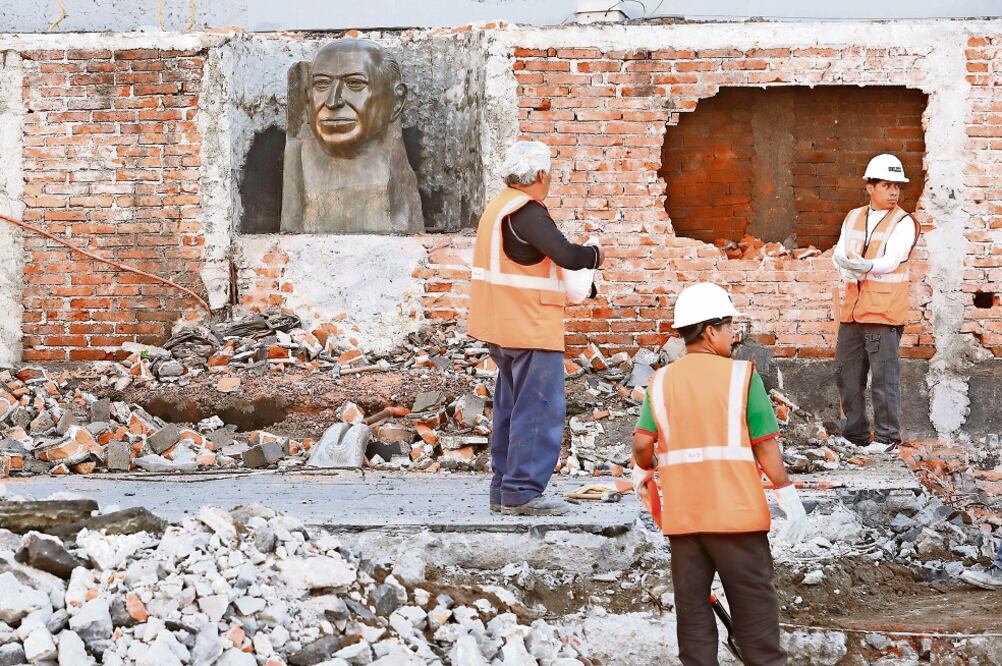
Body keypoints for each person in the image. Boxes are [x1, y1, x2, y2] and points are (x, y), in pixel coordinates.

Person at [631, 283, 807, 666]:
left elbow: (643, 443)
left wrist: (644, 470)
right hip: (736, 522)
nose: (733, 335)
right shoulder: (743, 377)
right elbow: (765, 447)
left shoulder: (660, 383)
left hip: (685, 525)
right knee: (757, 627)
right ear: (710, 331)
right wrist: (788, 497)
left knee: (693, 625)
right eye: (729, 327)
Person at [467, 140, 603, 516]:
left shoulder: (498, 207)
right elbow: (566, 255)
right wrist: (595, 255)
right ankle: (523, 492)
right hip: (531, 325)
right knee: (537, 410)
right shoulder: (528, 212)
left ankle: (504, 487)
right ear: (541, 174)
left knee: (511, 408)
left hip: (501, 325)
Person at [831, 154, 921, 454]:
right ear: (869, 187)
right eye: (886, 185)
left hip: (884, 313)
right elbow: (840, 252)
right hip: (853, 312)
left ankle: (887, 439)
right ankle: (855, 435)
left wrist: (862, 266)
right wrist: (846, 266)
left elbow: (891, 260)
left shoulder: (904, 222)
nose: (894, 191)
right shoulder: (853, 216)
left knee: (884, 380)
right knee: (847, 375)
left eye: (897, 186)